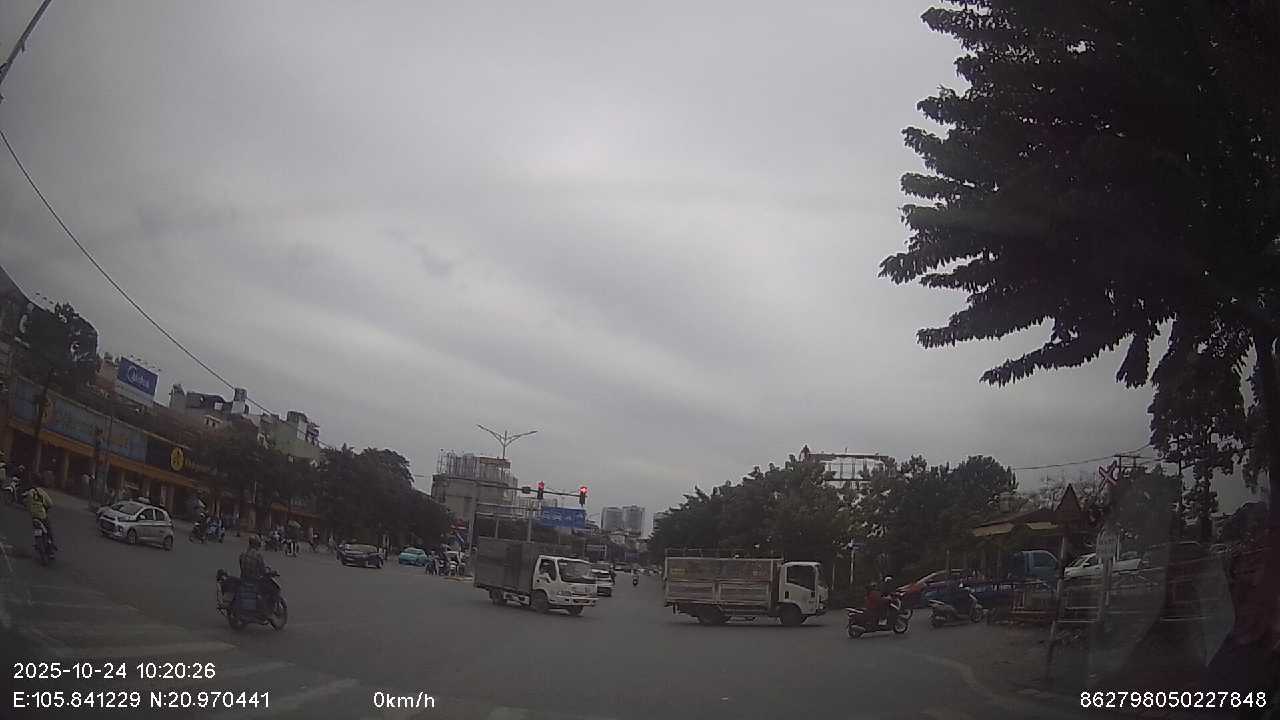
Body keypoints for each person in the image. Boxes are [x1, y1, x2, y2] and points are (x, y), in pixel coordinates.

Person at [25, 476, 55, 549]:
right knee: (49, 529)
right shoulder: (42, 492)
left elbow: (27, 505)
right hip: (42, 515)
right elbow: (50, 503)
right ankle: (51, 543)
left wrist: (31, 510)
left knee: (36, 528)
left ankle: (37, 542)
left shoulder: (30, 492)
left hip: (34, 516)